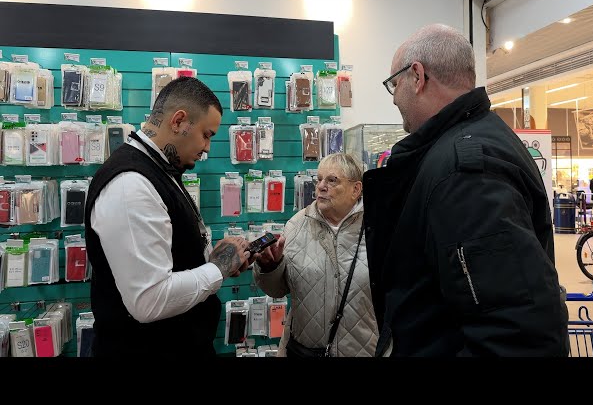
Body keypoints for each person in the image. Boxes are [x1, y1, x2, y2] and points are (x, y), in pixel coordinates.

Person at [363, 23, 569, 357]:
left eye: (394, 84)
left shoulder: (465, 171)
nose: (395, 99)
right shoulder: (471, 143)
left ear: (417, 76)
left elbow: (516, 333)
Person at [85, 76, 254, 357]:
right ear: (178, 121)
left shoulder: (160, 170)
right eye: (206, 134)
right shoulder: (131, 184)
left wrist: (212, 257)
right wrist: (218, 268)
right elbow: (149, 300)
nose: (208, 148)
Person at [254, 153, 378, 357]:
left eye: (332, 180)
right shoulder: (296, 225)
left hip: (363, 350)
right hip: (305, 350)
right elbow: (276, 290)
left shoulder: (377, 227)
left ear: (356, 189)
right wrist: (270, 267)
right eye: (319, 179)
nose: (321, 186)